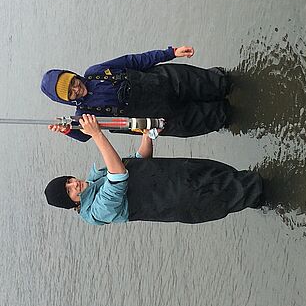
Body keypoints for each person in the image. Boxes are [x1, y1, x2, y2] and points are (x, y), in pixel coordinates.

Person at [44, 115, 263, 225]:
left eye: (69, 181)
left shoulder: (97, 176)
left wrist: (146, 135)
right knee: (239, 191)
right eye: (70, 191)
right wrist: (97, 134)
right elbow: (119, 177)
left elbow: (139, 160)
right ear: (73, 202)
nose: (74, 184)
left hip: (177, 171)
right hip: (180, 197)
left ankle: (265, 188)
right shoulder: (97, 212)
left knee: (232, 175)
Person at [40, 46, 232, 141]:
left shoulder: (95, 72)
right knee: (222, 117)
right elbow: (85, 136)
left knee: (221, 83)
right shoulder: (85, 116)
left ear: (73, 75)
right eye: (71, 93)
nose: (76, 88)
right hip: (166, 119)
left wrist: (171, 52)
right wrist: (66, 129)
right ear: (67, 101)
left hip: (170, 81)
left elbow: (134, 61)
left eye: (73, 81)